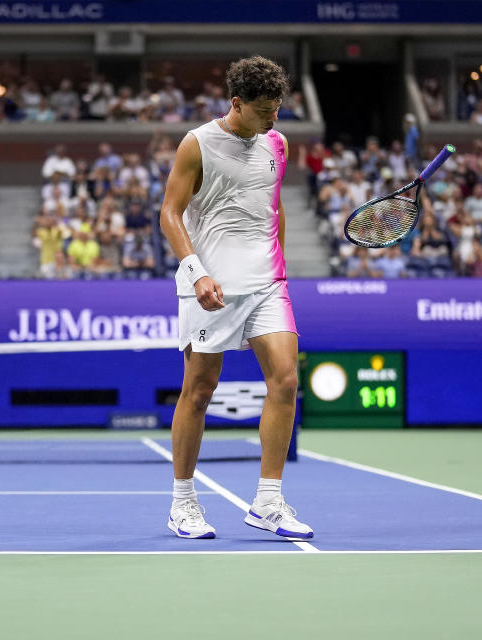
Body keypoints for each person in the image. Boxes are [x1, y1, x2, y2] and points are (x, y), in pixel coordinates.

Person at [159, 55, 312, 540]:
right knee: (199, 392)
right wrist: (195, 271)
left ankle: (268, 500)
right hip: (211, 286)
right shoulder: (198, 143)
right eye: (265, 109)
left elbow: (275, 207)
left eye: (278, 109)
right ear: (237, 103)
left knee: (286, 380)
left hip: (267, 282)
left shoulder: (277, 144)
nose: (274, 118)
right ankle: (182, 503)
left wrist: (281, 269)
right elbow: (170, 212)